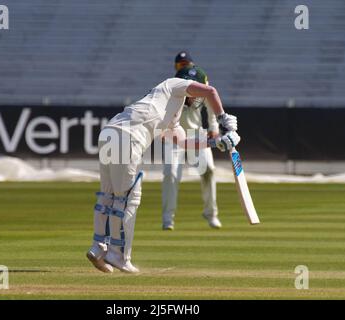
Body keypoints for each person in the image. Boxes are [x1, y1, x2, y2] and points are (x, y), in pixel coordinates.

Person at [86, 66, 240, 273]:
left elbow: (183, 142)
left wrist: (218, 142)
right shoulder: (174, 84)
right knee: (128, 197)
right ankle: (118, 255)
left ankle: (98, 247)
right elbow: (210, 92)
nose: (197, 98)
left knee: (108, 195)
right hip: (128, 138)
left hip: (110, 133)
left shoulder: (168, 108)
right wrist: (223, 119)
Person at [162, 51, 221, 230]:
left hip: (197, 135)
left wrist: (214, 128)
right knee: (171, 174)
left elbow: (211, 104)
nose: (183, 67)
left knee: (209, 171)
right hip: (174, 135)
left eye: (186, 64)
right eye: (180, 65)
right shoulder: (172, 86)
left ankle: (211, 214)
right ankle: (168, 219)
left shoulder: (201, 84)